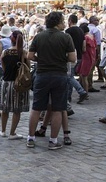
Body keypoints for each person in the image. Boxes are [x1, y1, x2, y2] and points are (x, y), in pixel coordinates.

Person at [26, 11, 76, 149]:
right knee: (57, 109)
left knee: (36, 108)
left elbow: (30, 55)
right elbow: (72, 59)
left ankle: (30, 138)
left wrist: (41, 59)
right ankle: (53, 141)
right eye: (63, 20)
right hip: (59, 75)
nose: (64, 23)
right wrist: (59, 59)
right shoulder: (66, 37)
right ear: (58, 22)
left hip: (42, 74)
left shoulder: (39, 36)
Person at [0, 31, 29, 140]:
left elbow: (4, 68)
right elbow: (27, 68)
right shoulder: (23, 53)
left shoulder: (5, 52)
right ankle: (12, 132)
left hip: (6, 83)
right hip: (18, 84)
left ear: (11, 39)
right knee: (17, 110)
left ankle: (3, 130)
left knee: (4, 108)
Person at [77, 24, 97, 103]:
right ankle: (84, 92)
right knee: (84, 75)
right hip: (91, 57)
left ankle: (85, 93)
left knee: (84, 76)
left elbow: (84, 48)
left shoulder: (85, 37)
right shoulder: (92, 36)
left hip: (86, 58)